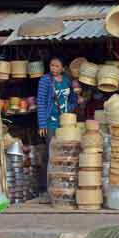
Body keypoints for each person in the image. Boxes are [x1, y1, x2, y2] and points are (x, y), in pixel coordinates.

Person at [37, 56, 79, 192]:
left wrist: (69, 109)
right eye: (51, 66)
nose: (53, 68)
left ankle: (64, 183)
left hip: (66, 123)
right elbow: (41, 102)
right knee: (51, 153)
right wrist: (42, 124)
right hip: (51, 122)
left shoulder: (68, 81)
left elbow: (73, 99)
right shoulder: (45, 80)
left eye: (56, 66)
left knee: (66, 153)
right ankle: (48, 186)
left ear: (62, 68)